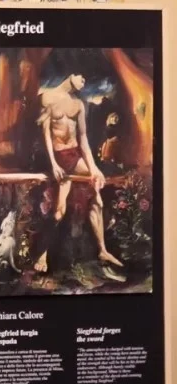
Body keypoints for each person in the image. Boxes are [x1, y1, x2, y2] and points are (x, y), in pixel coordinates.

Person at [33, 73, 122, 273]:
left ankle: (102, 250)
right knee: (59, 211)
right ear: (70, 74)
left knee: (97, 199)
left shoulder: (79, 105)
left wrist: (94, 169)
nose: (83, 81)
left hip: (74, 156)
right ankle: (42, 254)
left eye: (85, 78)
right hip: (58, 157)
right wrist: (53, 164)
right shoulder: (48, 98)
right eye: (81, 76)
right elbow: (46, 134)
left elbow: (83, 139)